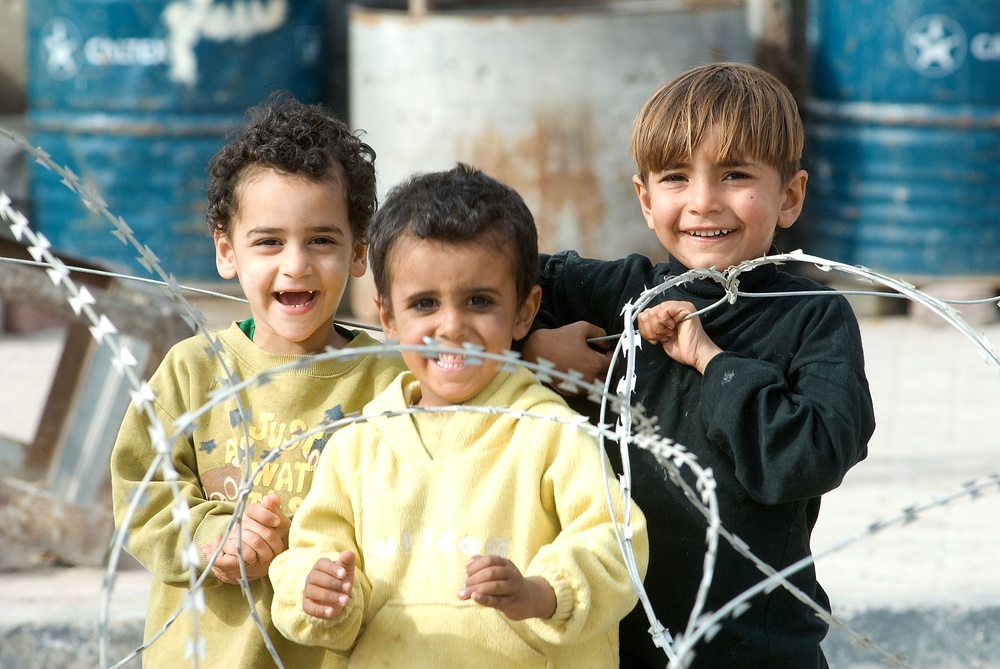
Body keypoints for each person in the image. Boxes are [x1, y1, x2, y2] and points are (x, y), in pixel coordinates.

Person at [522, 62, 876, 668]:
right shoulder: (621, 296)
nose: (703, 201)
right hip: (614, 642)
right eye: (675, 178)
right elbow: (482, 282)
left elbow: (802, 458)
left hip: (758, 650)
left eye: (735, 174)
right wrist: (527, 351)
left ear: (790, 196)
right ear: (644, 198)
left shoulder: (814, 319)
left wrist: (713, 362)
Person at [268, 164, 649, 668]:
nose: (451, 327)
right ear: (388, 318)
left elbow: (615, 540)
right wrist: (316, 591)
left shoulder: (550, 434)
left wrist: (541, 592)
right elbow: (314, 551)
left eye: (478, 301)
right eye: (424, 303)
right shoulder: (359, 446)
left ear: (524, 311)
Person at [110, 94, 405, 669]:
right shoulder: (193, 371)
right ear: (226, 250)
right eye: (268, 241)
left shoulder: (389, 380)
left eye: (321, 239)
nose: (295, 264)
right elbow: (139, 491)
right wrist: (208, 537)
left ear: (360, 250)